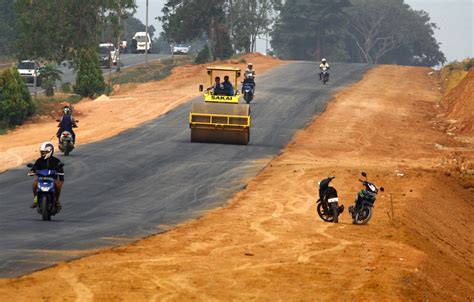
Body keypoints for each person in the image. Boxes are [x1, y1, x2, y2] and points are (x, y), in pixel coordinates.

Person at [29, 142, 64, 210]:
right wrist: (31, 172)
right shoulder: (39, 160)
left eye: (45, 152)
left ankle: (57, 200)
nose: (42, 153)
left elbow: (61, 171)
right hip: (41, 179)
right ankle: (36, 199)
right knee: (34, 184)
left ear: (50, 151)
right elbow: (33, 168)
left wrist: (61, 180)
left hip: (53, 179)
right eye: (42, 152)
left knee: (58, 185)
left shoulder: (56, 160)